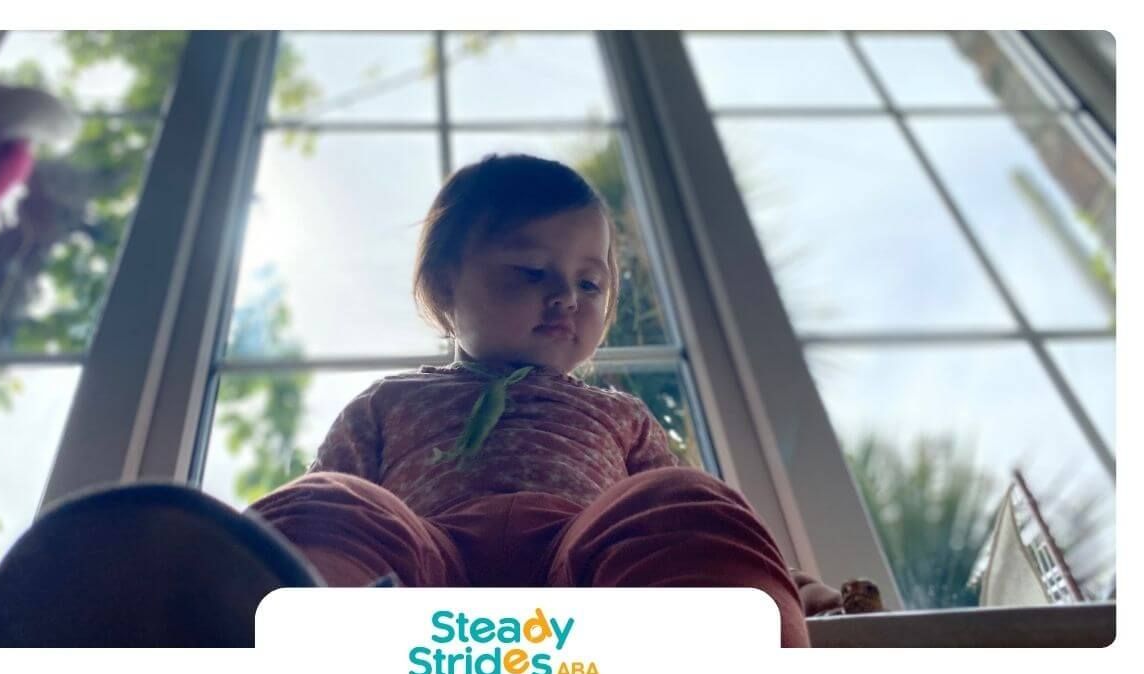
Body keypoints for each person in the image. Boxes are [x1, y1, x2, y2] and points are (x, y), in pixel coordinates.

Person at [246, 153, 820, 646]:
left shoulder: (620, 415)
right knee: (324, 504)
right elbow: (329, 510)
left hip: (583, 575)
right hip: (425, 575)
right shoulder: (388, 403)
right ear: (446, 286)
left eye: (590, 283)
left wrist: (792, 582)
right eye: (530, 272)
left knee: (684, 498)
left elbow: (682, 527)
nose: (566, 297)